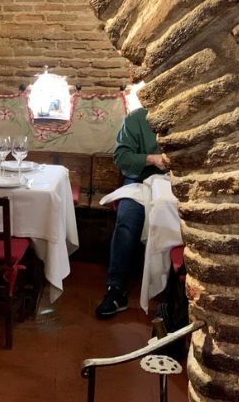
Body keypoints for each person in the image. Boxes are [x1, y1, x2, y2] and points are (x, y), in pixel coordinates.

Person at [95, 106, 168, 319]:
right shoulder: (136, 119)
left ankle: (175, 297)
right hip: (139, 182)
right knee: (127, 219)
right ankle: (116, 289)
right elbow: (121, 157)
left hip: (176, 184)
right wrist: (152, 159)